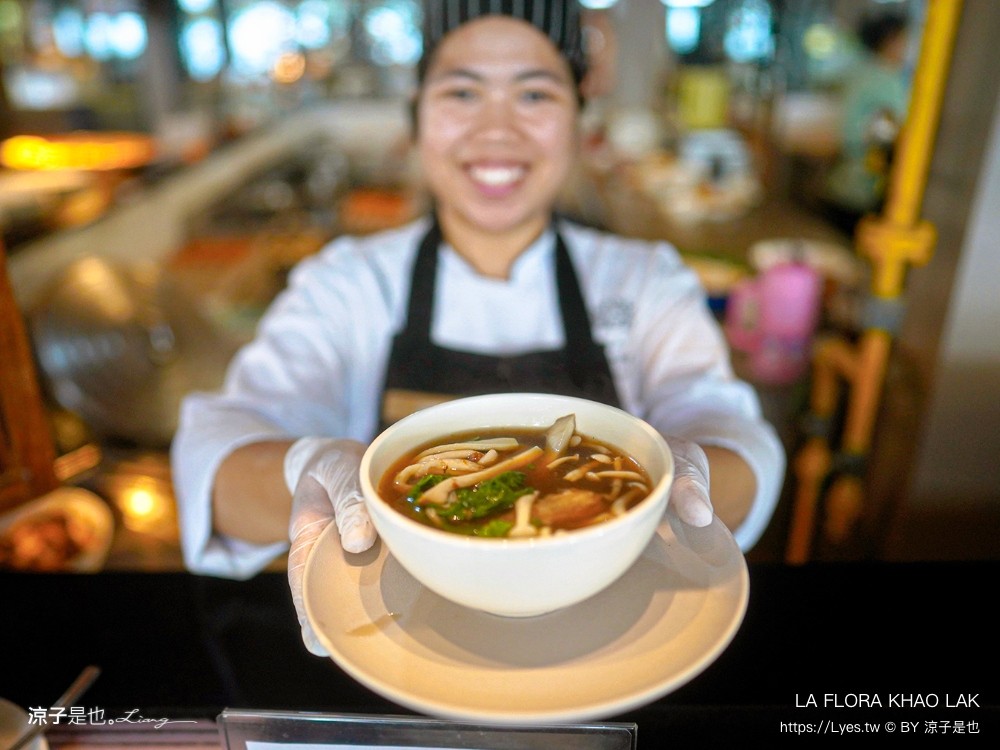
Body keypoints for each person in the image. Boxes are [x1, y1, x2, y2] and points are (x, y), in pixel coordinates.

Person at [171, 0, 785, 655]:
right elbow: (213, 462)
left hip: (602, 645)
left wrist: (686, 473)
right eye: (463, 92)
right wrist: (307, 472)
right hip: (402, 647)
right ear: (416, 120)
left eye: (534, 93)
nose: (497, 128)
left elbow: (742, 442)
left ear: (580, 123)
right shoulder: (348, 284)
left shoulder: (644, 280)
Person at [824, 11, 911, 232]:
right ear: (890, 41)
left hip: (854, 183)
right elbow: (855, 132)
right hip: (860, 188)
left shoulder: (871, 73)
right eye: (905, 39)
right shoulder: (879, 78)